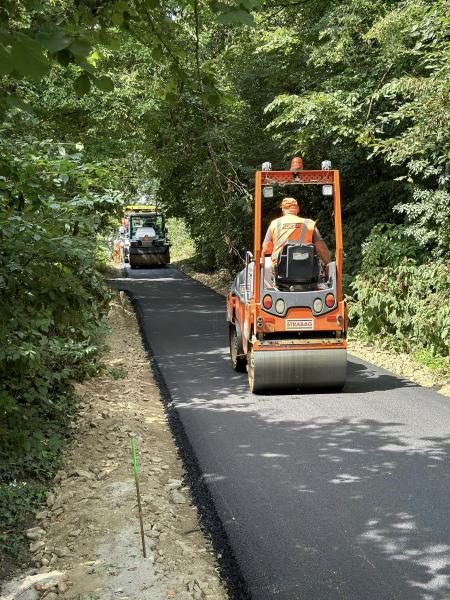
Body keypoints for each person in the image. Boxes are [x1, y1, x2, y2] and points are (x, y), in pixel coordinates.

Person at [262, 197, 330, 266]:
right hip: (306, 267)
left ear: (282, 209)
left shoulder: (275, 223)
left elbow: (266, 248)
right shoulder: (309, 223)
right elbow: (320, 247)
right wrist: (328, 264)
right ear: (297, 209)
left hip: (279, 267)